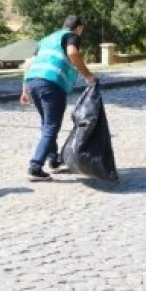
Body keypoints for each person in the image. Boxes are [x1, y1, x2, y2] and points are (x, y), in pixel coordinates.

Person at [19, 15, 96, 181]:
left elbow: (28, 63)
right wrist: (87, 75)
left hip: (33, 81)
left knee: (47, 124)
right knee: (51, 126)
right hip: (52, 83)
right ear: (79, 28)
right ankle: (35, 166)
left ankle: (53, 160)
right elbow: (73, 53)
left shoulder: (46, 39)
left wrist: (25, 90)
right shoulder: (71, 36)